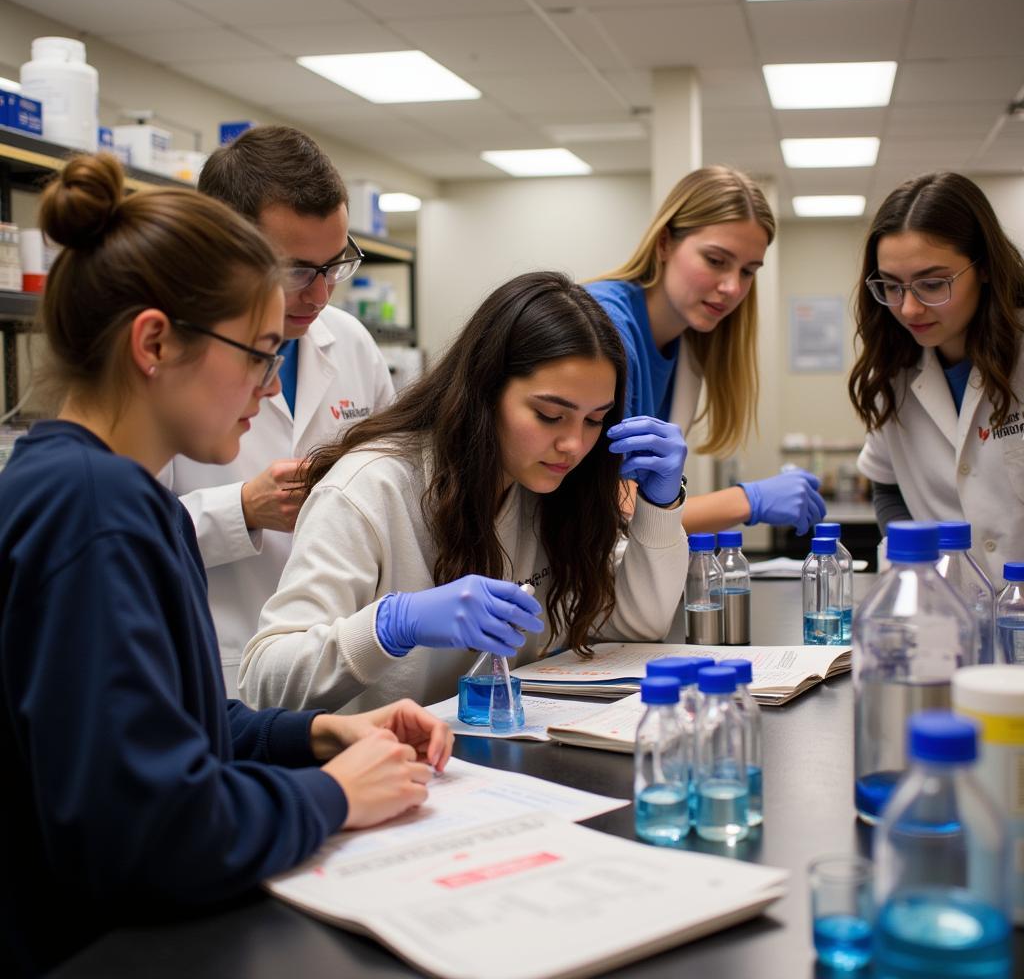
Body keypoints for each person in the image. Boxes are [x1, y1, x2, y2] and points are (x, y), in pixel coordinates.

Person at [0, 154, 452, 977]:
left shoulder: (110, 491)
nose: (270, 382)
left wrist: (315, 735)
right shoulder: (93, 510)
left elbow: (187, 727)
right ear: (154, 343)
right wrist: (336, 794)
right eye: (255, 352)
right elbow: (155, 830)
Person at [239, 271, 688, 712]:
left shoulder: (549, 487)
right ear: (485, 391)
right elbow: (266, 683)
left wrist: (660, 505)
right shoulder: (370, 488)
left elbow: (636, 622)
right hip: (375, 769)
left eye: (595, 420)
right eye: (551, 415)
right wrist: (391, 626)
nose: (574, 444)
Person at [161, 126, 394, 697]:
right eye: (294, 270)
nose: (319, 296)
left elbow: (398, 476)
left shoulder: (350, 341)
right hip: (222, 670)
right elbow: (123, 535)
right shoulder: (168, 360)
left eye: (334, 265)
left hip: (342, 662)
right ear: (223, 247)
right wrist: (241, 509)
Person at [586, 165, 826, 535]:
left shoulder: (690, 339)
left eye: (748, 271)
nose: (732, 287)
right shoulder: (605, 326)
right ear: (665, 243)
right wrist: (747, 501)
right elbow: (616, 507)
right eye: (716, 261)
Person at [850, 171, 1024, 581]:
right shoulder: (891, 370)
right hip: (951, 614)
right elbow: (887, 486)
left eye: (932, 283)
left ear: (983, 267)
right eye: (891, 286)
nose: (909, 309)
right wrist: (919, 568)